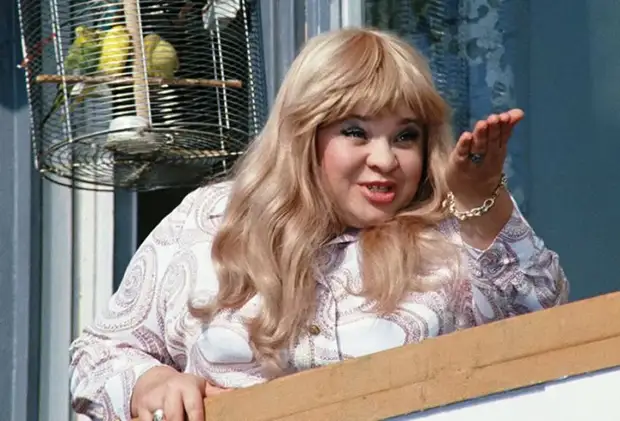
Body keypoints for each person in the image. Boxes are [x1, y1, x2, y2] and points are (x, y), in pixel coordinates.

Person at [69, 27, 569, 421]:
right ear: (304, 135)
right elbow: (98, 355)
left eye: (405, 136)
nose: (385, 160)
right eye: (356, 132)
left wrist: (482, 203)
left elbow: (553, 339)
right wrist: (150, 382)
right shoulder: (211, 220)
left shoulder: (451, 233)